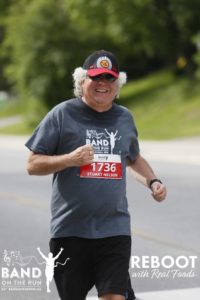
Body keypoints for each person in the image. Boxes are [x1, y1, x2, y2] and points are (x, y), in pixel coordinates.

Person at [26, 50, 167, 300]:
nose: (103, 83)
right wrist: (70, 159)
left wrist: (153, 181)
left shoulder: (124, 118)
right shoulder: (62, 114)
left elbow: (133, 158)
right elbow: (33, 164)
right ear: (82, 82)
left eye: (109, 78)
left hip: (114, 229)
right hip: (70, 231)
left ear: (117, 85)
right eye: (96, 77)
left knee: (115, 296)